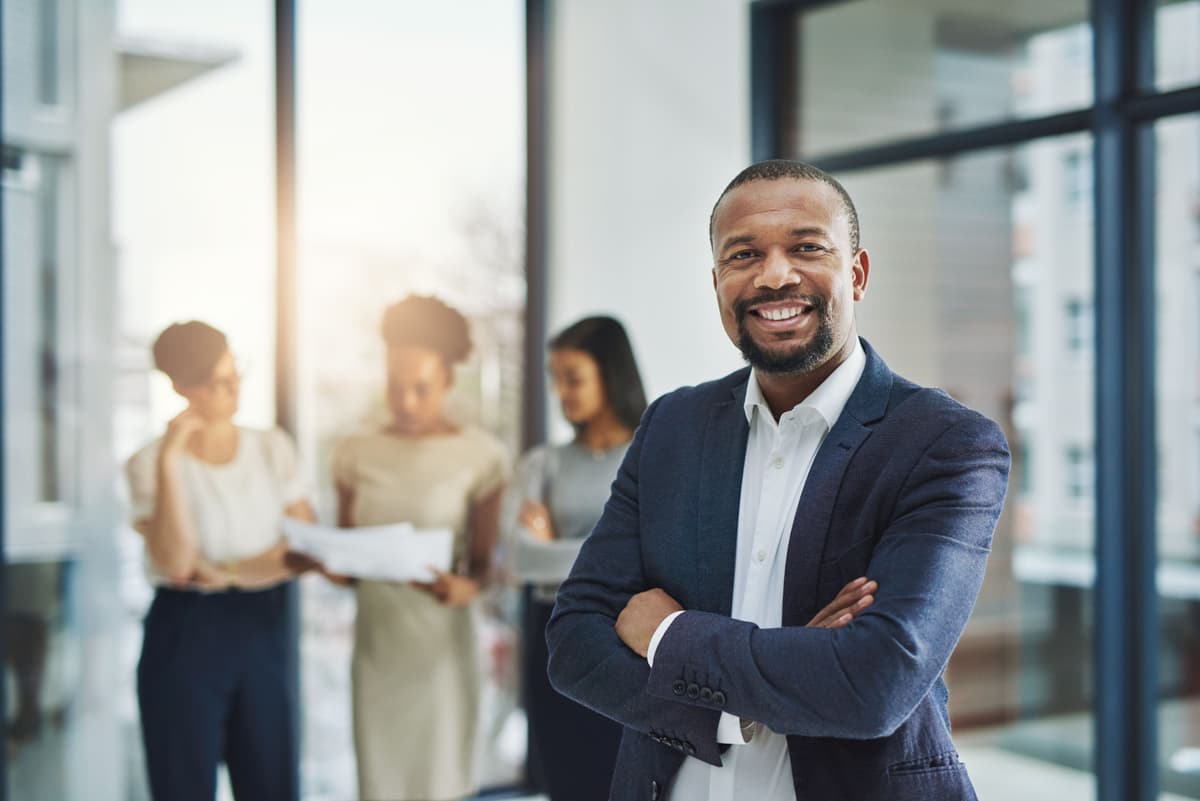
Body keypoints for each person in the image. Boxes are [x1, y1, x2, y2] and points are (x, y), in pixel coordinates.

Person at [545, 160, 1011, 801]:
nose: (773, 275)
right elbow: (575, 641)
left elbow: (875, 683)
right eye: (743, 255)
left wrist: (667, 636)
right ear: (717, 284)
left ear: (858, 272)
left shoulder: (945, 443)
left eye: (806, 247)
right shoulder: (672, 426)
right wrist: (748, 701)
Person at [125, 321, 315, 801]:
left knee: (271, 781)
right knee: (182, 784)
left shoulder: (271, 447)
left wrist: (229, 571)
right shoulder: (148, 462)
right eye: (217, 383)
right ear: (181, 388)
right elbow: (178, 563)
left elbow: (305, 548)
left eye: (236, 375)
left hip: (263, 627)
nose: (234, 391)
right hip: (184, 632)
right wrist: (171, 461)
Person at [331, 295, 509, 801]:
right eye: (395, 387)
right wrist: (318, 559)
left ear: (448, 382)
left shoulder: (481, 457)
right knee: (380, 784)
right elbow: (344, 567)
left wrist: (467, 585)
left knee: (441, 784)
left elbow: (486, 565)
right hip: (377, 652)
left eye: (421, 388)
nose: (406, 401)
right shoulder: (354, 453)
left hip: (440, 655)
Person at [501, 316, 646, 799]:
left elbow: (648, 558)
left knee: (624, 777)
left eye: (573, 378)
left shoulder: (652, 455)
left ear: (610, 373)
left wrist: (558, 547)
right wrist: (610, 554)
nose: (561, 392)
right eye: (555, 379)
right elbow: (521, 560)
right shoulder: (544, 464)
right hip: (552, 637)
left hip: (627, 641)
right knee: (564, 779)